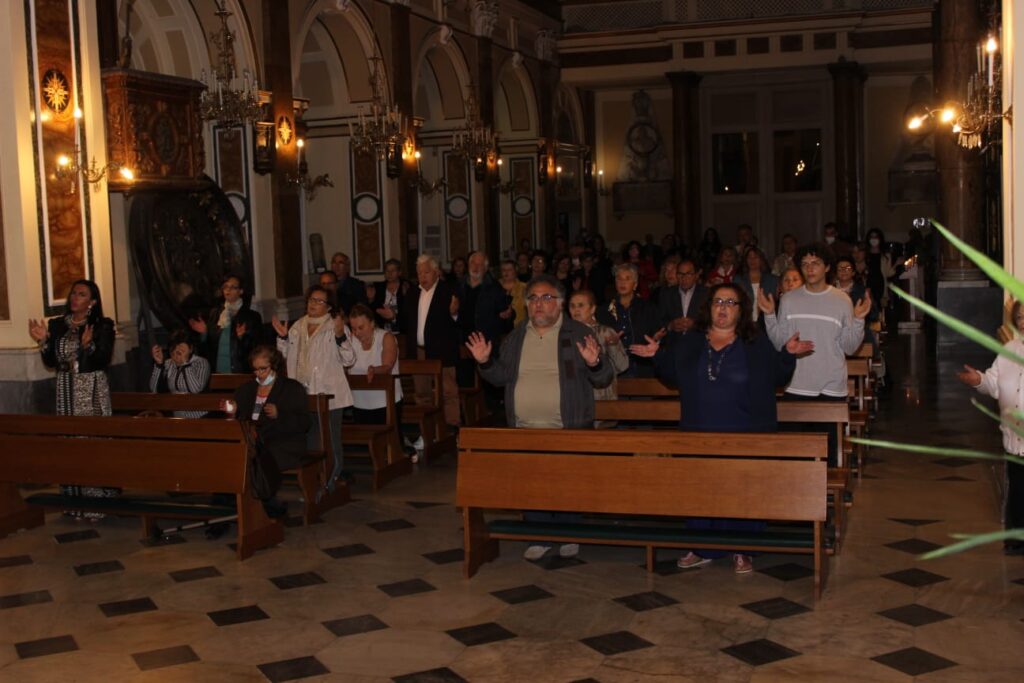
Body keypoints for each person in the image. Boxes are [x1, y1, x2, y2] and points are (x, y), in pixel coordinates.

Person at [631, 283, 812, 573]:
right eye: (718, 301)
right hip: (698, 431)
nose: (723, 308)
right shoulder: (690, 340)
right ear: (709, 307)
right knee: (701, 489)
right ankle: (701, 546)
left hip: (746, 432)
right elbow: (673, 376)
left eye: (731, 302)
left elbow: (777, 377)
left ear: (741, 311)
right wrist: (658, 356)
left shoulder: (756, 342)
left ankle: (743, 548)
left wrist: (788, 355)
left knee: (742, 489)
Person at [465, 274, 613, 560]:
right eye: (533, 298)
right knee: (533, 484)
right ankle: (538, 534)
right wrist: (485, 362)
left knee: (567, 484)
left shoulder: (578, 332)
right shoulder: (517, 336)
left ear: (559, 304)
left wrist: (595, 363)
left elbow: (604, 377)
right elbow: (500, 378)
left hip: (567, 427)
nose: (539, 304)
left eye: (546, 298)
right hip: (525, 429)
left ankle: (570, 533)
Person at [759, 243, 871, 464]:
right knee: (794, 454)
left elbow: (849, 347)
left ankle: (829, 492)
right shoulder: (789, 300)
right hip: (796, 384)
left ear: (827, 267)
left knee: (829, 453)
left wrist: (858, 320)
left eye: (815, 263)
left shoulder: (841, 300)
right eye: (805, 264)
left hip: (831, 388)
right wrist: (770, 316)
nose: (809, 269)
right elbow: (781, 342)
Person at [28, 279, 118, 515]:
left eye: (81, 294)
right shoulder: (58, 325)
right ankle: (74, 503)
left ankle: (98, 503)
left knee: (91, 443)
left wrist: (88, 347)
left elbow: (102, 360)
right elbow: (51, 362)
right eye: (73, 293)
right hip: (65, 389)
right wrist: (43, 341)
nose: (74, 298)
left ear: (92, 302)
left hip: (91, 390)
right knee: (69, 443)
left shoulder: (102, 326)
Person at [957, 300, 1024, 555]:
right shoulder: (1009, 349)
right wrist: (979, 380)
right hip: (1014, 437)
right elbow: (994, 384)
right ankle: (1016, 540)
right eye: (1020, 318)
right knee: (1018, 489)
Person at [272, 284, 355, 486]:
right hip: (302, 393)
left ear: (328, 307)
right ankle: (314, 480)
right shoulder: (298, 326)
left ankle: (333, 478)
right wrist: (283, 338)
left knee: (330, 439)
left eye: (319, 301)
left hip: (328, 394)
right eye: (311, 300)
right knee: (309, 438)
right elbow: (282, 358)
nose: (314, 304)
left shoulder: (334, 326)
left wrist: (339, 336)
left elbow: (350, 359)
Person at [232, 345, 311, 514]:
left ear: (274, 366)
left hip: (285, 442)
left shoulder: (291, 388)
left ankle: (266, 503)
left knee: (260, 457)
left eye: (263, 369)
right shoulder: (247, 389)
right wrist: (233, 410)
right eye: (255, 370)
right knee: (237, 455)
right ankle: (235, 504)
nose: (259, 374)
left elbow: (304, 423)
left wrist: (279, 414)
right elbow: (241, 417)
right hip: (254, 441)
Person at [402, 254, 462, 426]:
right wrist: (393, 316)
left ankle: (453, 427)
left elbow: (461, 319)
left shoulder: (448, 290)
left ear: (436, 272)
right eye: (419, 273)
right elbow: (406, 321)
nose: (422, 276)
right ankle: (427, 429)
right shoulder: (413, 293)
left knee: (448, 391)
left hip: (442, 349)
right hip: (419, 350)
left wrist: (453, 313)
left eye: (426, 272)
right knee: (422, 393)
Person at [568, 290, 630, 426]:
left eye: (580, 305)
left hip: (601, 399)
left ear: (593, 309)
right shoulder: (565, 335)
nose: (576, 310)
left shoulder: (605, 332)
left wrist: (613, 346)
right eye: (572, 306)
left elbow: (623, 366)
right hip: (574, 401)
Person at [596, 263, 662, 377]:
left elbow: (658, 334)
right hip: (614, 368)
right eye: (619, 278)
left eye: (627, 278)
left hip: (642, 367)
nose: (622, 282)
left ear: (635, 284)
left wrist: (657, 339)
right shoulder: (604, 310)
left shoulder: (648, 308)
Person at [190, 274, 263, 374]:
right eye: (225, 286)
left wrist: (242, 338)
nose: (228, 290)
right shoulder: (215, 314)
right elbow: (207, 348)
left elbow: (257, 348)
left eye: (233, 287)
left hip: (240, 369)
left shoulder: (251, 316)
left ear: (241, 291)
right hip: (217, 369)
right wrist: (204, 333)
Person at [347, 303, 404, 425]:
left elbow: (387, 367)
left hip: (386, 402)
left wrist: (374, 370)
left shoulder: (385, 337)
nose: (357, 332)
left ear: (372, 323)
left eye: (361, 328)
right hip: (359, 403)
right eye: (353, 328)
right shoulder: (350, 340)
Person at [150, 329, 211, 418]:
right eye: (173, 349)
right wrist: (159, 364)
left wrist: (185, 363)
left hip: (200, 416)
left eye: (182, 350)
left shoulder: (201, 363)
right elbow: (154, 389)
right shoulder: (168, 363)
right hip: (177, 417)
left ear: (190, 349)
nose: (176, 354)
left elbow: (196, 389)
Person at [658, 258, 707, 336]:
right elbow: (659, 320)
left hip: (699, 340)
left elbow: (712, 321)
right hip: (674, 341)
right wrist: (671, 325)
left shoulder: (706, 294)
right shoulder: (667, 294)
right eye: (680, 274)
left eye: (688, 274)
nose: (684, 278)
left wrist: (695, 325)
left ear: (696, 275)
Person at [733, 247, 778, 325]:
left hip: (766, 321)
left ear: (761, 259)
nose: (752, 260)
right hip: (745, 321)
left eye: (755, 257)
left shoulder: (772, 279)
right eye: (749, 257)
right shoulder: (738, 279)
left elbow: (775, 300)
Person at [366, 258, 408, 333]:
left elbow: (409, 314)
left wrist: (394, 317)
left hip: (402, 331)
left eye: (393, 271)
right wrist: (371, 300)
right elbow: (372, 312)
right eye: (387, 271)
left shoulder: (405, 287)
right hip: (382, 331)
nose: (390, 273)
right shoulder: (379, 287)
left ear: (399, 272)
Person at [864, 228, 896, 316]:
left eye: (876, 237)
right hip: (867, 283)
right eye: (871, 237)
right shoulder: (864, 254)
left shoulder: (886, 256)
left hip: (880, 283)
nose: (873, 239)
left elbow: (889, 273)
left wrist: (896, 264)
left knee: (879, 307)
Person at [499, 259, 527, 328]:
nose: (506, 272)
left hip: (519, 328)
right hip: (498, 328)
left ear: (516, 271)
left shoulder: (524, 287)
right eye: (503, 270)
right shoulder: (494, 286)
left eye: (509, 270)